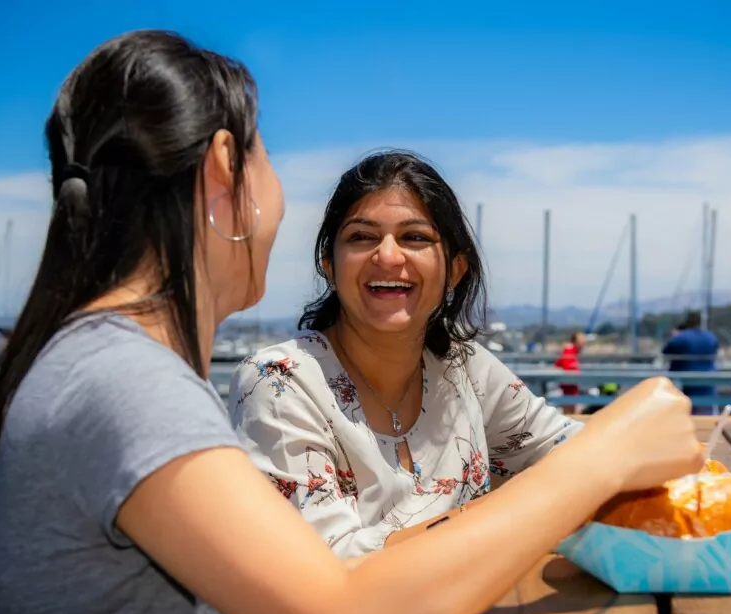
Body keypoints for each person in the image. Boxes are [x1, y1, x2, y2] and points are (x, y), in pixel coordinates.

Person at [0, 30, 704, 614]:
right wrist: (601, 457)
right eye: (269, 158)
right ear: (226, 171)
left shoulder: (107, 364)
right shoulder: (126, 382)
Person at [230, 152, 585, 558]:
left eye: (415, 237)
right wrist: (501, 512)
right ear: (330, 265)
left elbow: (574, 453)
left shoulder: (463, 367)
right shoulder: (279, 382)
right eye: (362, 237)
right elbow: (330, 568)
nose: (388, 255)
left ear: (454, 270)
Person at [662, 311, 719, 415]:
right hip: (707, 384)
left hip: (686, 384)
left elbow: (666, 351)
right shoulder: (711, 337)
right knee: (706, 418)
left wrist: (675, 335)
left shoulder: (681, 338)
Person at [554, 331, 585, 414]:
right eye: (581, 340)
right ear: (576, 341)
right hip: (569, 385)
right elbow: (567, 367)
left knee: (571, 411)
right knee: (569, 412)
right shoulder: (569, 350)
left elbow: (558, 363)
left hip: (571, 385)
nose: (583, 343)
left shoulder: (572, 350)